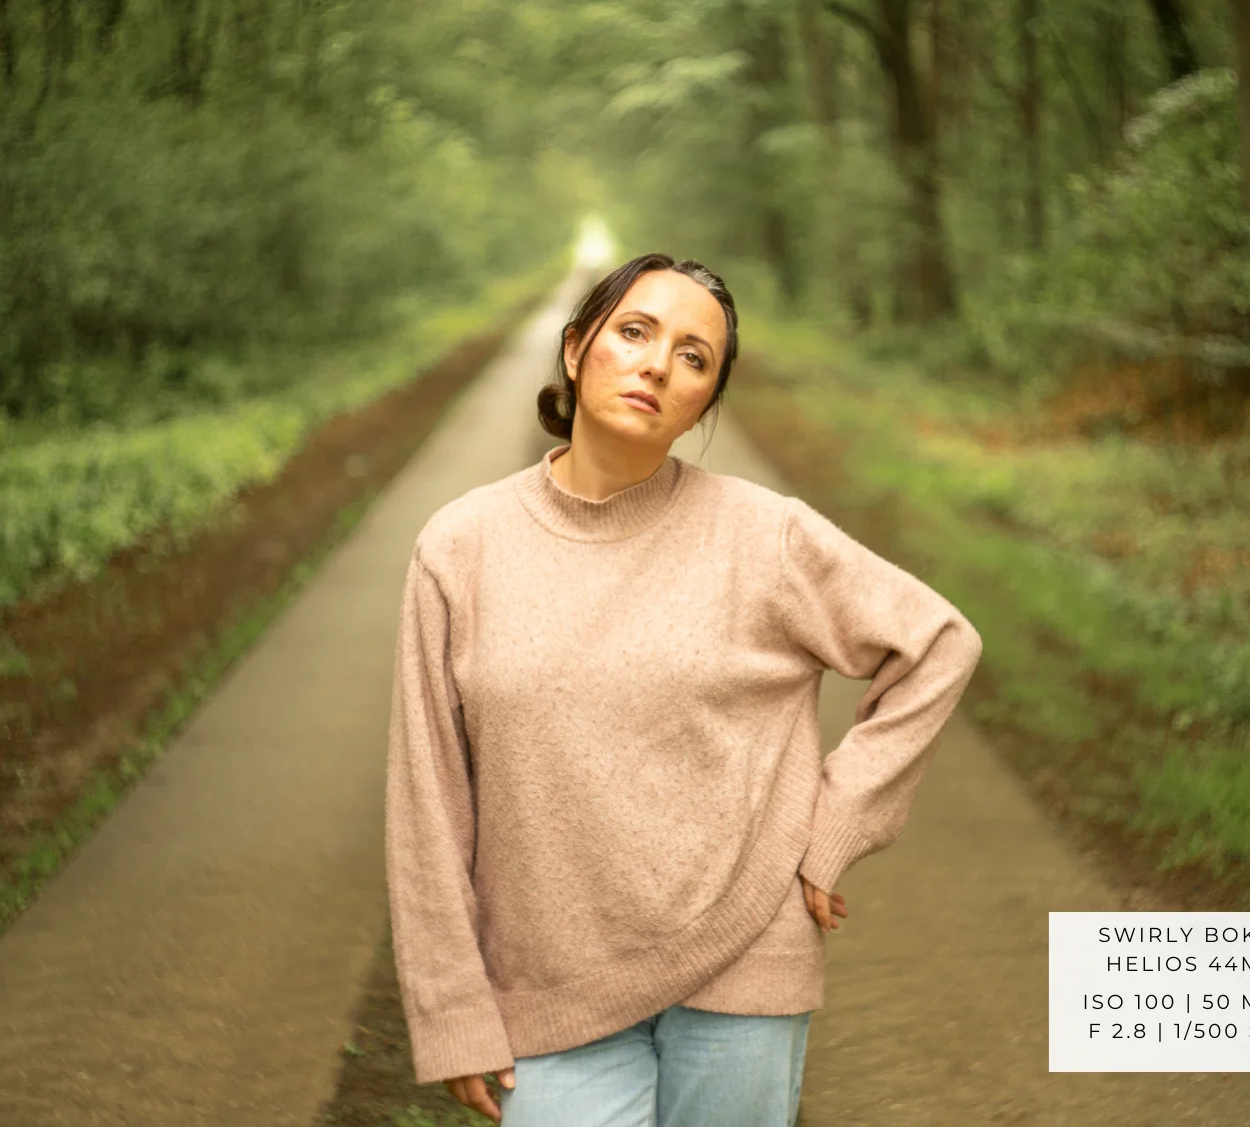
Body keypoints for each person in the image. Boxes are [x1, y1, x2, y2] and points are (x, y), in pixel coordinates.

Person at [384, 252, 984, 1126]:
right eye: (634, 333)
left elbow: (939, 643)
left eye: (695, 357)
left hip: (743, 962)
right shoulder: (460, 548)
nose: (659, 364)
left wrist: (836, 821)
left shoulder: (764, 535)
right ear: (576, 347)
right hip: (550, 987)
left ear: (705, 400)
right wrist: (450, 1010)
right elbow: (427, 801)